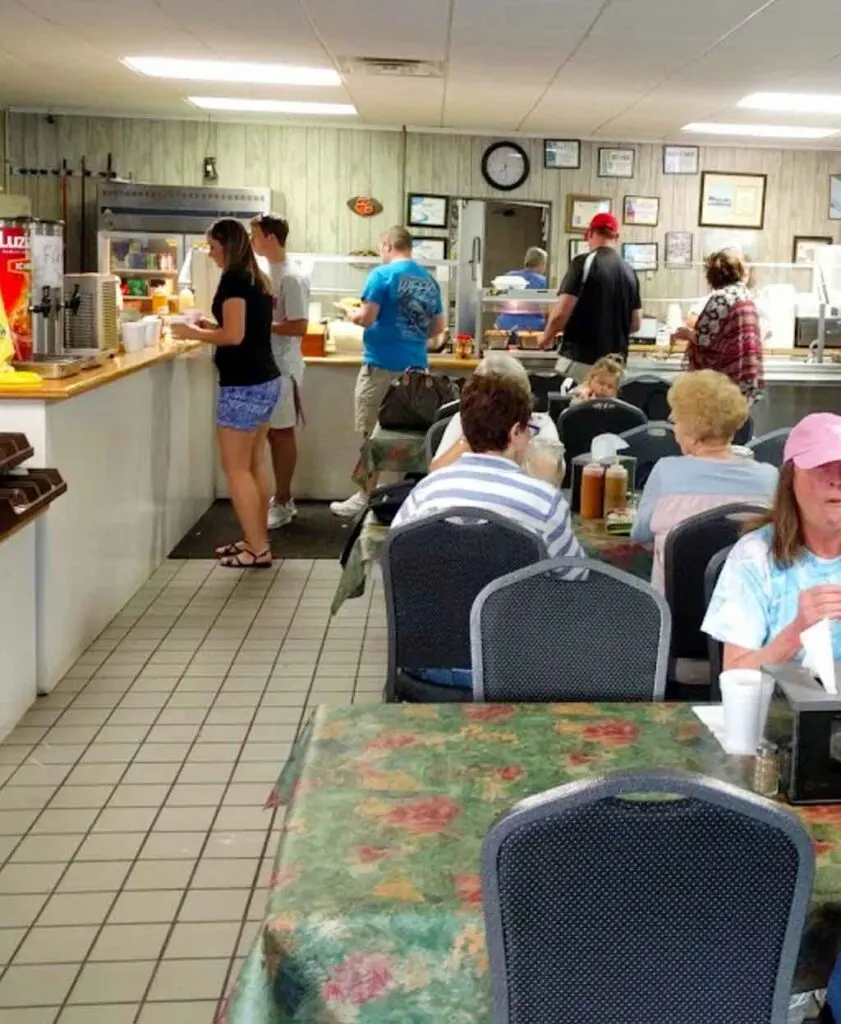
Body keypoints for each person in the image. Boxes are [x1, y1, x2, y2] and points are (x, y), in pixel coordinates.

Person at [393, 371, 585, 691]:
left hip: (425, 664)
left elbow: (397, 560)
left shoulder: (426, 492)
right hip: (514, 668)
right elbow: (576, 577)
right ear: (515, 433)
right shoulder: (542, 500)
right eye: (528, 431)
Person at [172, 219, 279, 569]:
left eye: (213, 248)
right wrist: (210, 328)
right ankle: (255, 538)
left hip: (243, 384)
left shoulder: (235, 279)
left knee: (236, 470)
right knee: (255, 462)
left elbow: (234, 337)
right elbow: (240, 331)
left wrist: (189, 332)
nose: (211, 254)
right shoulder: (255, 277)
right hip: (265, 379)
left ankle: (258, 549)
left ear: (226, 245)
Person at [704, 413, 841, 669]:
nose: (836, 480)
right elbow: (734, 672)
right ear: (791, 480)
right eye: (821, 467)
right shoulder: (755, 555)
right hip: (778, 707)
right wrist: (795, 634)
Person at [330, 226, 446, 519]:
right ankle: (407, 499)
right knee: (410, 436)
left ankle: (366, 496)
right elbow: (438, 328)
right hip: (417, 371)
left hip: (381, 366)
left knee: (372, 434)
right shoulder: (429, 280)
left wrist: (348, 313)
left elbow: (366, 318)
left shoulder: (381, 276)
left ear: (386, 245)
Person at [632, 370, 777, 594]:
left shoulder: (666, 472)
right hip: (747, 613)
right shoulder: (770, 478)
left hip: (675, 615)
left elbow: (640, 534)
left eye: (676, 420)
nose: (674, 429)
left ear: (692, 431)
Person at [250, 215, 310, 530]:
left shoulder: (291, 277)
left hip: (283, 366)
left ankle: (284, 501)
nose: (251, 241)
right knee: (269, 433)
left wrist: (260, 324)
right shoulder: (261, 274)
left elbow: (300, 325)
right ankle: (275, 498)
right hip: (262, 364)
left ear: (271, 238)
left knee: (282, 433)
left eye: (255, 235)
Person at [539, 213, 642, 379]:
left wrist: (546, 338)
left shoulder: (583, 263)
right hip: (615, 368)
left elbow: (561, 313)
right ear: (616, 237)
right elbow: (636, 324)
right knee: (609, 406)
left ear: (590, 234)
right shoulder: (629, 270)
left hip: (581, 361)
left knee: (570, 404)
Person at [429, 352, 559, 471]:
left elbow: (552, 475)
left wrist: (521, 445)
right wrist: (474, 437)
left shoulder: (540, 425)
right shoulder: (463, 420)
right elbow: (435, 471)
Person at [672, 249, 764, 402]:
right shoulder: (745, 294)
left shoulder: (721, 298)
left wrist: (686, 333)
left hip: (724, 380)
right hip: (744, 374)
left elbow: (704, 340)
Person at [495, 246, 549, 333]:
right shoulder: (543, 281)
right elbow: (546, 309)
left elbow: (497, 302)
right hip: (533, 328)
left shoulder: (509, 276)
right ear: (542, 263)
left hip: (505, 325)